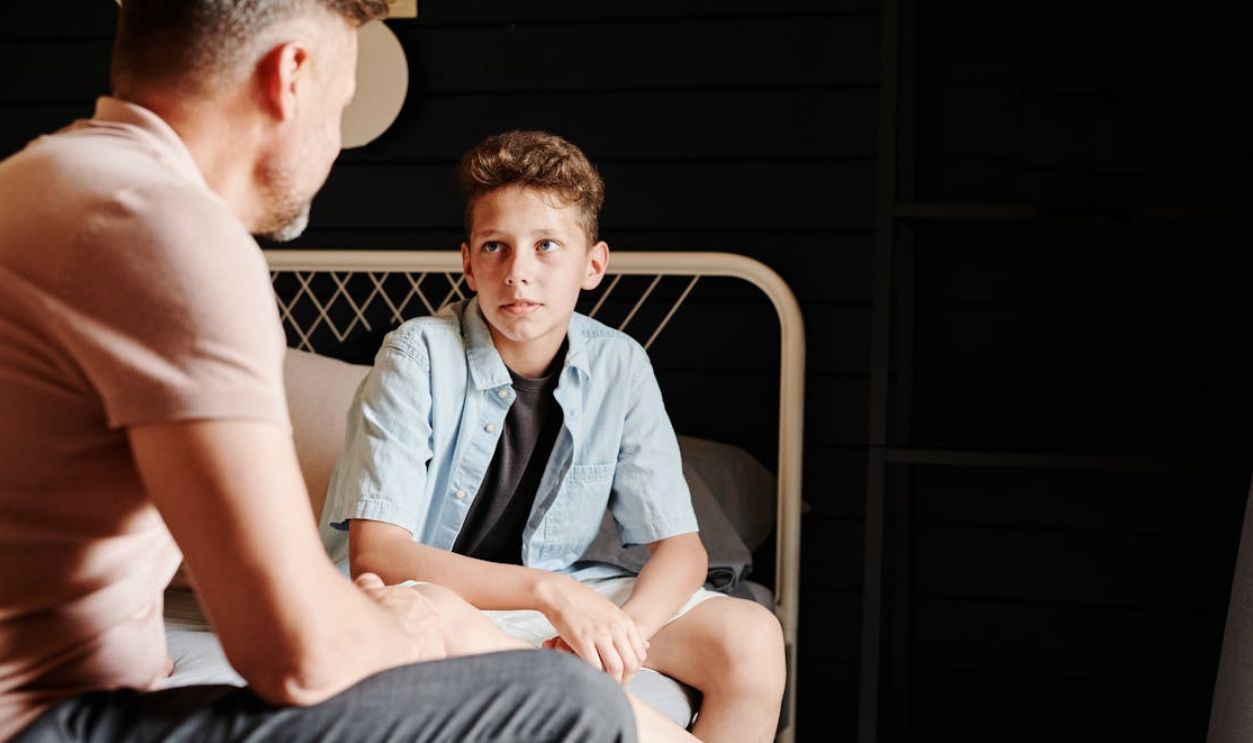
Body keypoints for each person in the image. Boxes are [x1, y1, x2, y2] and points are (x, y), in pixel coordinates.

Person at [0, 3, 695, 741]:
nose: (332, 143)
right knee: (570, 700)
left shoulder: (34, 178)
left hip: (81, 696)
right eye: (342, 103)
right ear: (291, 75)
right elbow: (297, 649)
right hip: (51, 724)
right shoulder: (171, 232)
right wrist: (418, 626)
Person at [320, 130, 787, 742]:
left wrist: (620, 636)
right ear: (467, 262)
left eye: (546, 247)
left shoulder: (620, 363)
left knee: (751, 636)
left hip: (567, 599)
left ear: (592, 265)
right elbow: (377, 555)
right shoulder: (416, 354)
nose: (518, 274)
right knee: (431, 618)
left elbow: (681, 550)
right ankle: (565, 691)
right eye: (495, 247)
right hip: (442, 595)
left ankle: (562, 676)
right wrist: (550, 594)